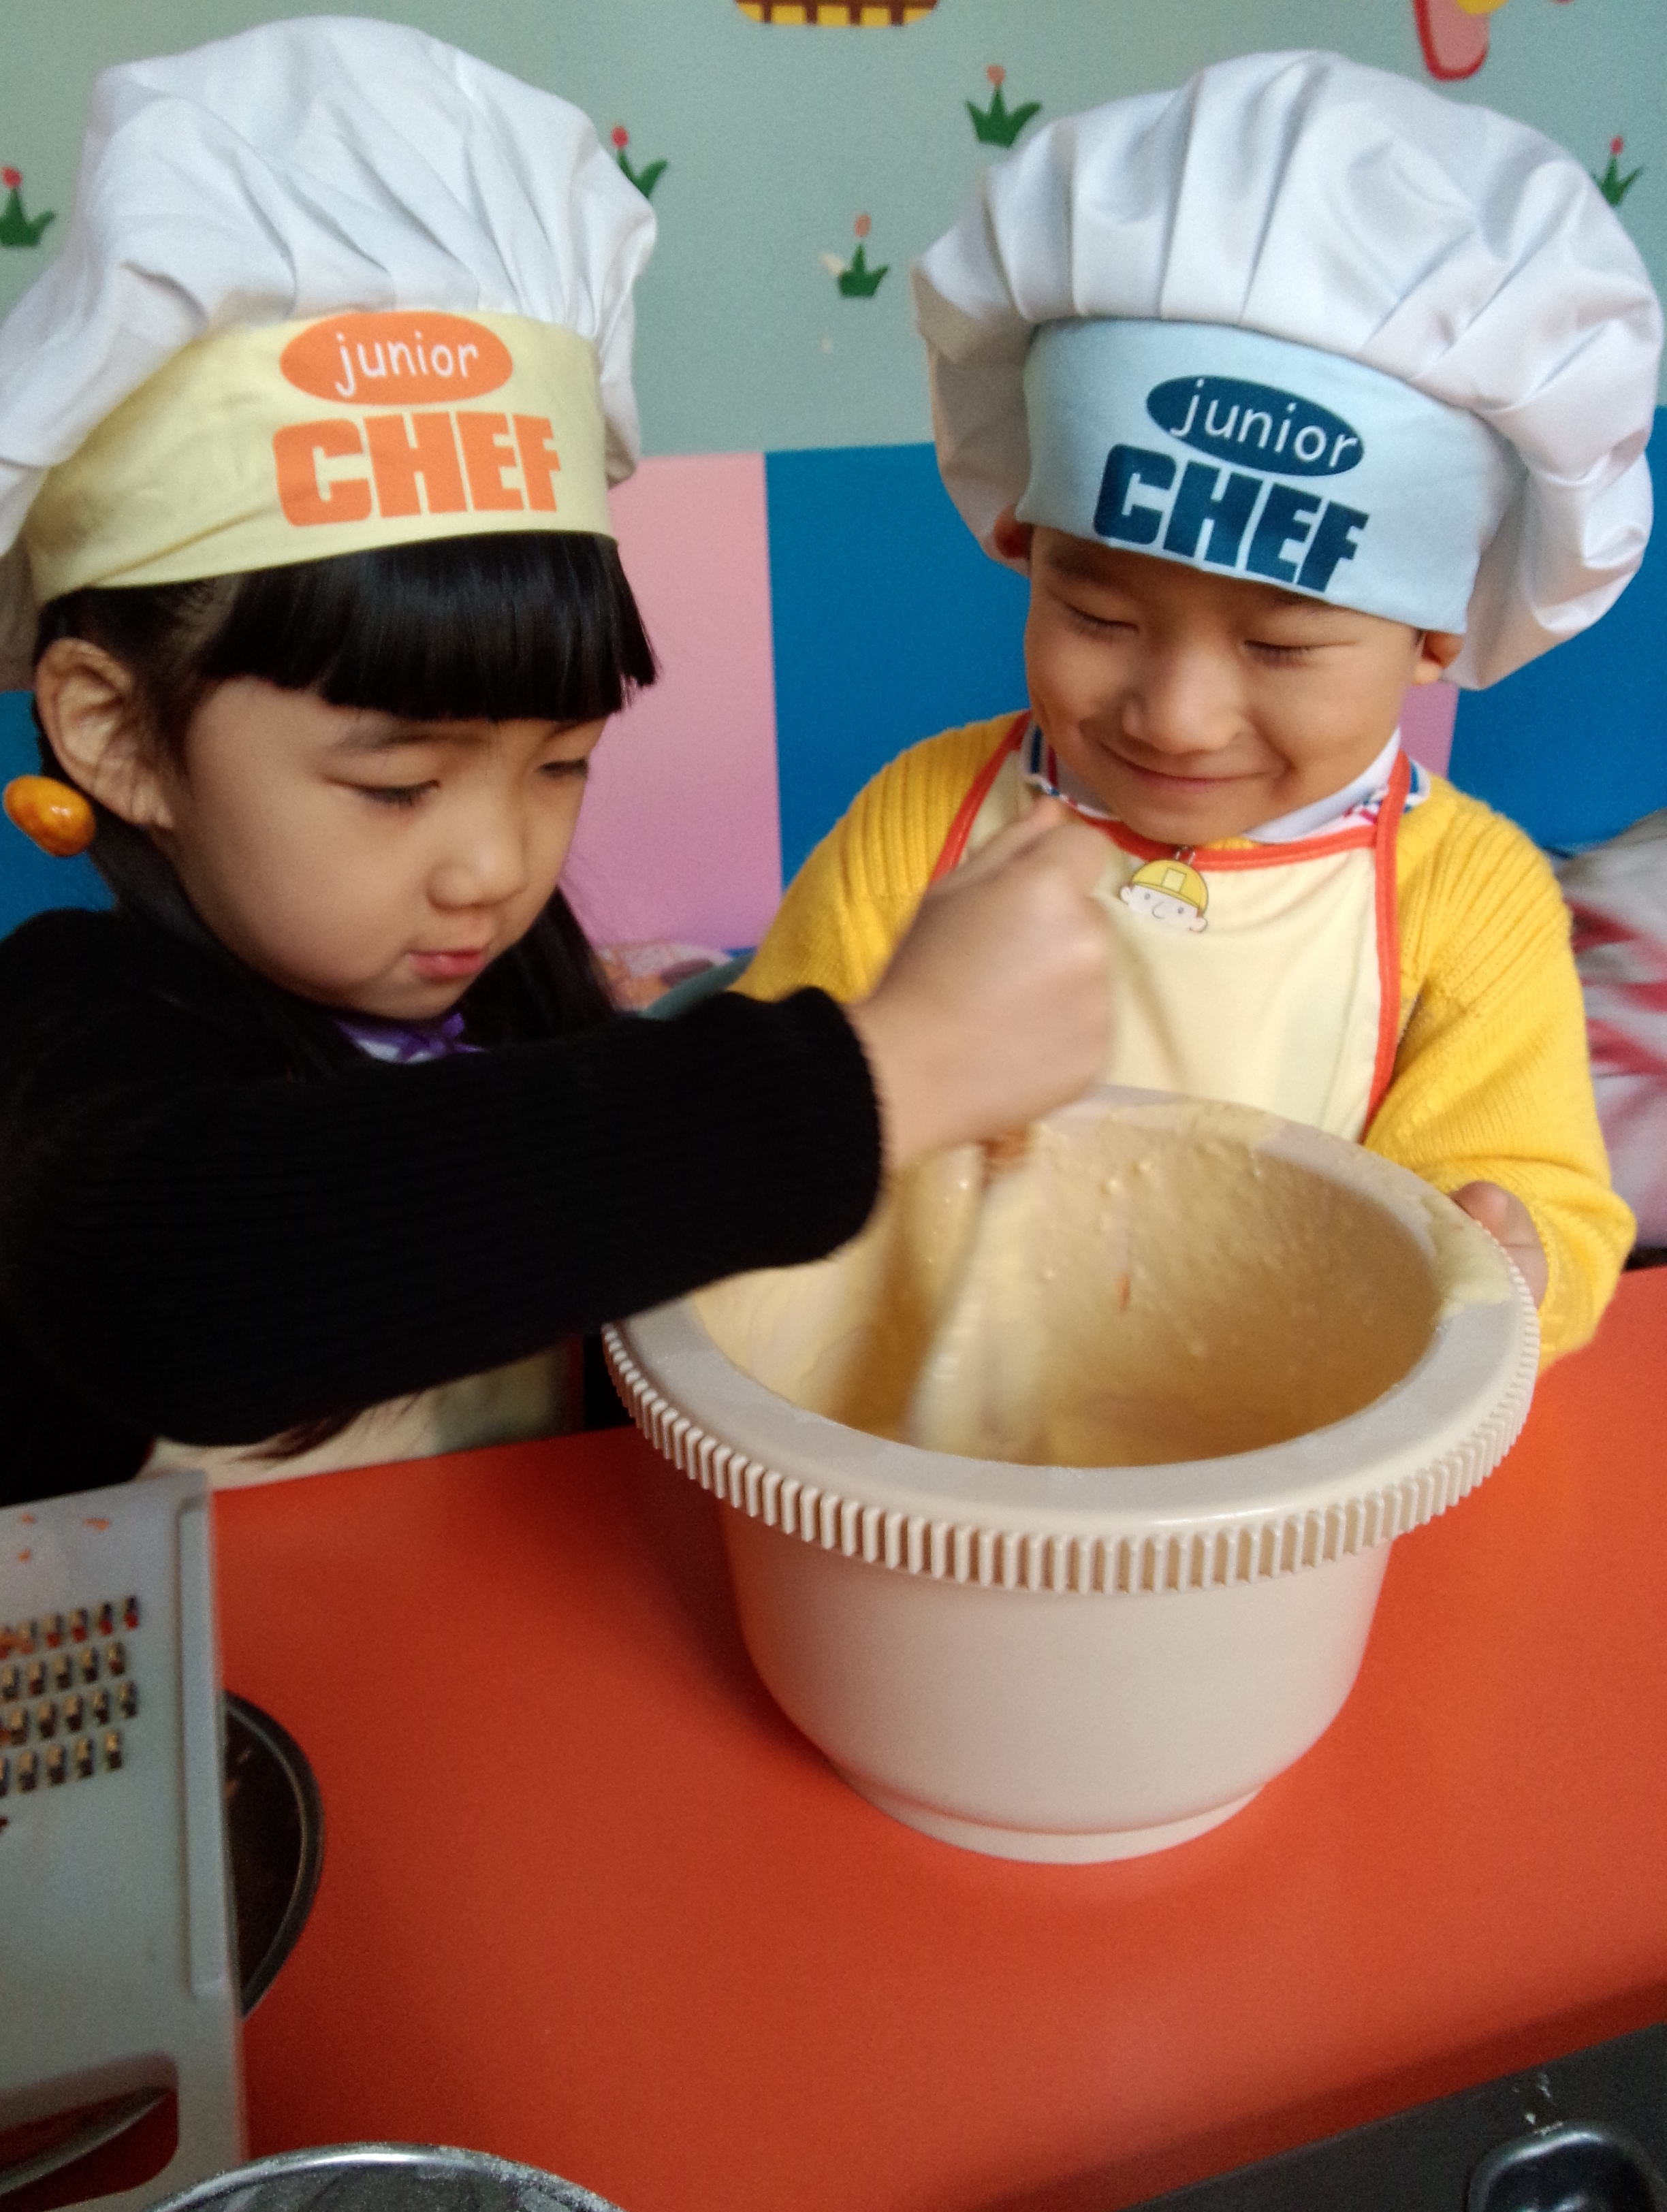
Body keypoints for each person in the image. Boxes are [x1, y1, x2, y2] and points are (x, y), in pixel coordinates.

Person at [0, 20, 1113, 1503]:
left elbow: (588, 1213)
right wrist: (884, 1071)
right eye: (397, 786)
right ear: (116, 732)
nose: (495, 867)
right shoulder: (67, 1033)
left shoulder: (522, 990)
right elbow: (182, 1278)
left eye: (560, 764)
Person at [742, 50, 1662, 1367]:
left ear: (1436, 632)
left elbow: (1542, 1196)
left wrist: (1518, 1252)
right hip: (937, 1424)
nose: (1175, 717)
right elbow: (757, 1124)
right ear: (1022, 546)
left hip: (1298, 1445)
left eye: (1281, 646)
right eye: (1099, 615)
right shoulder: (926, 827)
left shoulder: (1470, 906)